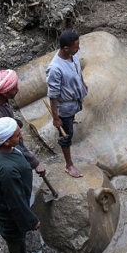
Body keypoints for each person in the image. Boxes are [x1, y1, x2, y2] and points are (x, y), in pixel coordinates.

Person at [0, 117, 41, 253]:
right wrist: (31, 221)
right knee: (14, 236)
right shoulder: (7, 171)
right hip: (7, 208)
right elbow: (16, 203)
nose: (21, 135)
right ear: (7, 141)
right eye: (17, 135)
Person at [46, 29, 88, 178]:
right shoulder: (55, 69)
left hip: (74, 101)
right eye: (76, 46)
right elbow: (53, 96)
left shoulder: (72, 56)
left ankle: (70, 120)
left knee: (70, 121)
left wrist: (82, 84)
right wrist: (56, 118)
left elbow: (77, 71)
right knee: (66, 135)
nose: (78, 49)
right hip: (65, 107)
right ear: (66, 48)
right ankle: (69, 165)